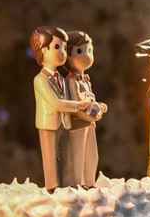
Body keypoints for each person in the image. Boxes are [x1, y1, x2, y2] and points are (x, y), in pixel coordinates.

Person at [29, 26, 93, 190]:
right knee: (50, 157)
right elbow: (56, 103)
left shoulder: (63, 79)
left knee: (64, 156)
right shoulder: (40, 80)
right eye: (57, 47)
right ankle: (52, 186)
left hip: (64, 123)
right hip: (48, 124)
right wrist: (79, 105)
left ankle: (66, 185)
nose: (63, 52)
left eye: (64, 48)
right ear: (43, 50)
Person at [63, 30, 108, 187]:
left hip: (90, 123)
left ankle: (89, 182)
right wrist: (88, 115)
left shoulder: (86, 80)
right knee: (77, 155)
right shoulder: (71, 81)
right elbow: (76, 105)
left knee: (92, 155)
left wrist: (99, 107)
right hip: (78, 124)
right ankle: (75, 184)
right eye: (80, 51)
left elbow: (90, 99)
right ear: (67, 55)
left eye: (89, 51)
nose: (86, 56)